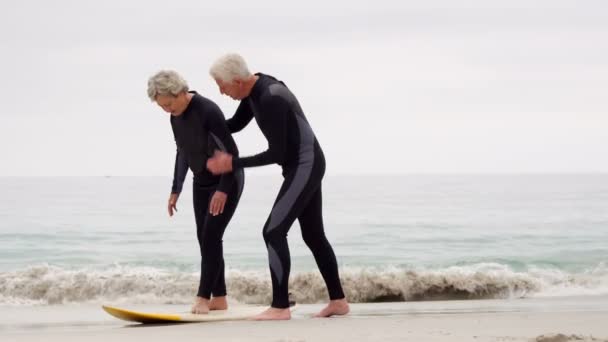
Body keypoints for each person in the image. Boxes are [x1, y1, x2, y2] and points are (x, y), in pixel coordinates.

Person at [206, 54, 350, 320]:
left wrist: (232, 163)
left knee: (273, 231)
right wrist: (204, 119)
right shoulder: (252, 92)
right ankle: (338, 302)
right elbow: (234, 125)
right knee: (314, 235)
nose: (221, 92)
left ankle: (280, 306)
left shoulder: (270, 97)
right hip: (303, 166)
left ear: (237, 81)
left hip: (304, 166)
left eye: (222, 86)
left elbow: (277, 153)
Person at [147, 70, 244, 314]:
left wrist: (223, 190)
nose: (166, 110)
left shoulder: (207, 110)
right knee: (205, 239)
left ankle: (203, 298)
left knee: (211, 237)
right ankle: (219, 297)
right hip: (200, 181)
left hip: (227, 180)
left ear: (180, 92)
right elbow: (182, 152)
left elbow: (231, 152)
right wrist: (175, 189)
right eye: (161, 107)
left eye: (168, 104)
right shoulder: (175, 117)